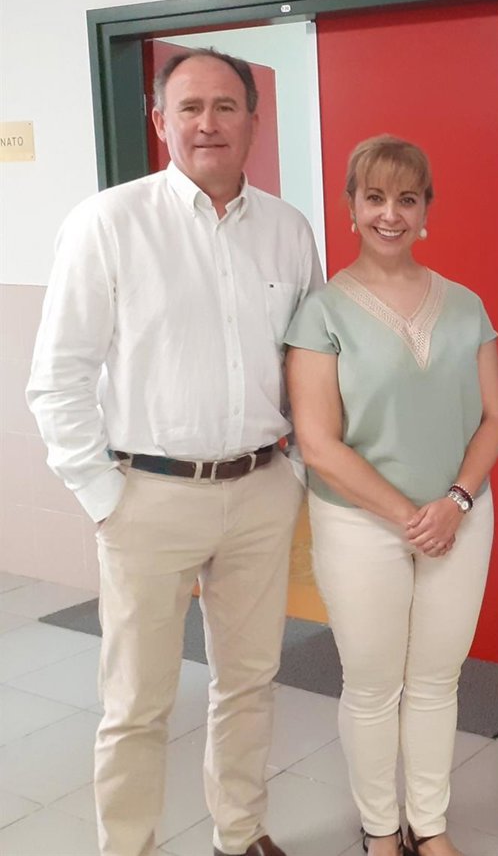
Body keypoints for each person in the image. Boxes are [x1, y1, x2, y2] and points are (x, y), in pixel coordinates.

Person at [26, 47, 321, 856]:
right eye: (189, 107)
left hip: (260, 489)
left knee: (250, 681)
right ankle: (130, 846)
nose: (207, 123)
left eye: (226, 106)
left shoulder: (289, 232)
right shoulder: (108, 223)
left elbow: (309, 365)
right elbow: (57, 377)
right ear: (161, 122)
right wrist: (104, 497)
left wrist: (295, 471)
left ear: (254, 120)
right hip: (146, 498)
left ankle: (240, 831)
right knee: (137, 702)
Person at [285, 135, 498, 856]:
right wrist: (412, 517)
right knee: (373, 685)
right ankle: (381, 830)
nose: (390, 214)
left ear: (425, 212)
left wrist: (455, 503)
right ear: (350, 207)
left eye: (406, 200)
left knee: (438, 680)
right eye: (374, 197)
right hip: (361, 524)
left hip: (459, 518)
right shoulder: (321, 313)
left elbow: (494, 417)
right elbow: (318, 441)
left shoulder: (465, 306)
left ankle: (429, 826)